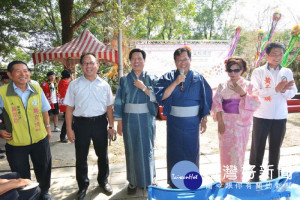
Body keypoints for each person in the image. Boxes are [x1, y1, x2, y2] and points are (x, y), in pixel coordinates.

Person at [154, 47, 212, 188]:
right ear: (175, 62)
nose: (182, 63)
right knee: (175, 152)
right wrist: (175, 82)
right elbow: (161, 96)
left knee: (191, 152)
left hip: (192, 123)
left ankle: (191, 181)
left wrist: (204, 119)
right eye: (179, 60)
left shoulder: (198, 78)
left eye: (185, 59)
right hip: (175, 123)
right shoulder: (168, 77)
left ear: (190, 60)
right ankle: (175, 182)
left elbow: (206, 99)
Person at [64, 53, 114, 200]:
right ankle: (83, 185)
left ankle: (103, 181)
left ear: (97, 65)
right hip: (81, 124)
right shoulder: (74, 85)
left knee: (102, 155)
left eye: (91, 63)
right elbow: (69, 108)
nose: (88, 66)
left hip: (100, 123)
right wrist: (68, 128)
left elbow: (109, 107)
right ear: (81, 66)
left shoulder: (104, 85)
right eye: (85, 63)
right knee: (81, 157)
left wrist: (111, 126)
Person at [0, 61, 52, 200]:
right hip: (16, 143)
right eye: (18, 71)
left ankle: (44, 192)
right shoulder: (2, 92)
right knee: (21, 174)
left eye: (26, 70)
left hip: (39, 139)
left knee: (44, 167)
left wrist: (48, 128)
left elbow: (44, 110)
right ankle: (28, 194)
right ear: (10, 75)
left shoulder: (36, 88)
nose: (23, 74)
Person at [249, 42, 298, 182]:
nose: (277, 57)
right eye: (274, 54)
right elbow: (255, 91)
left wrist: (284, 91)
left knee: (276, 146)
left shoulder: (287, 72)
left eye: (280, 54)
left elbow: (292, 92)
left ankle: (273, 174)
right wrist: (275, 89)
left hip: (280, 115)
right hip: (261, 114)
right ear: (267, 55)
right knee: (258, 145)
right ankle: (255, 174)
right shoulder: (258, 72)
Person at [114, 49, 158, 194]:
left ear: (144, 61)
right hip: (129, 120)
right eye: (133, 58)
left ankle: (149, 179)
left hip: (146, 119)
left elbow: (158, 97)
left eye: (139, 58)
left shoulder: (151, 77)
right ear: (130, 61)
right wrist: (119, 122)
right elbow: (119, 100)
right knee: (131, 149)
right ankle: (133, 181)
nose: (136, 61)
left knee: (148, 149)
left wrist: (144, 87)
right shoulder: (124, 79)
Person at [212, 57, 260, 186]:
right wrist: (220, 121)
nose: (233, 73)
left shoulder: (249, 85)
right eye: (230, 70)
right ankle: (226, 180)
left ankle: (236, 182)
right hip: (226, 122)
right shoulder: (222, 85)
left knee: (237, 153)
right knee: (225, 152)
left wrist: (243, 93)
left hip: (240, 125)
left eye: (236, 70)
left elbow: (255, 104)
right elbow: (216, 103)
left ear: (243, 70)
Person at [57, 69, 73, 143]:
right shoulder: (66, 83)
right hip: (67, 104)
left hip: (63, 104)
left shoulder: (61, 82)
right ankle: (63, 136)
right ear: (69, 75)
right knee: (67, 121)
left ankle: (65, 136)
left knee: (69, 120)